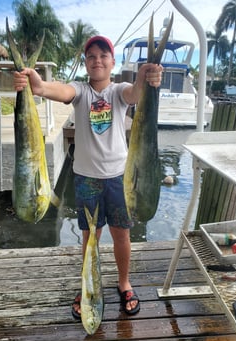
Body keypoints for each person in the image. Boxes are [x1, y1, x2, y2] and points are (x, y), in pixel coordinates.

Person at [14, 35, 163, 317]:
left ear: (113, 62)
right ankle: (88, 286)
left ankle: (124, 283)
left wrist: (147, 77)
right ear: (85, 63)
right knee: (89, 236)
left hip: (120, 177)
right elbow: (60, 90)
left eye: (103, 56)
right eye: (92, 56)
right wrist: (38, 86)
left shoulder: (119, 91)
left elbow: (134, 94)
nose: (98, 61)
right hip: (86, 179)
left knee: (122, 236)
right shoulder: (81, 91)